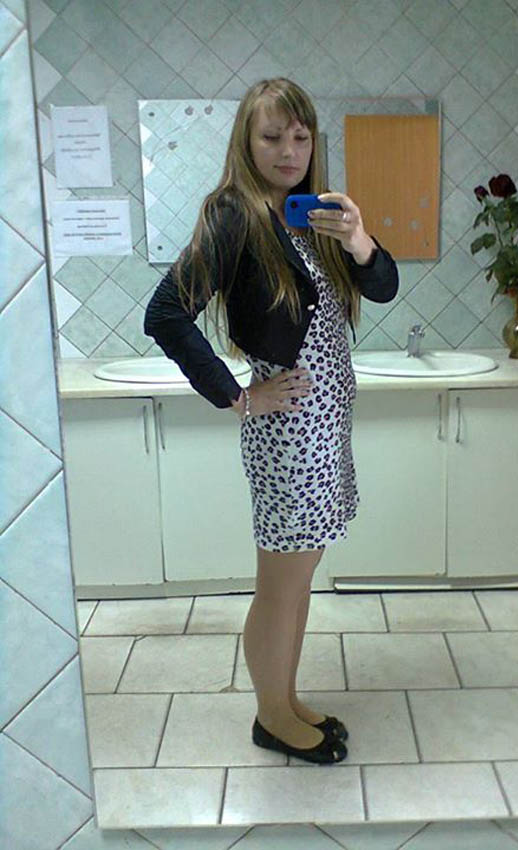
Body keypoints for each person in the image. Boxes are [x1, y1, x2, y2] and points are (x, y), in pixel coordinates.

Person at [143, 77, 399, 765]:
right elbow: (165, 313)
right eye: (272, 136)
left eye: (301, 136)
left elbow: (383, 287)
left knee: (300, 579)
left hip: (325, 428)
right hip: (289, 436)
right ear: (246, 142)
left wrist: (360, 241)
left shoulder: (311, 216)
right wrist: (238, 396)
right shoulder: (234, 214)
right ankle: (271, 716)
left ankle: (285, 698)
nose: (289, 150)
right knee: (281, 585)